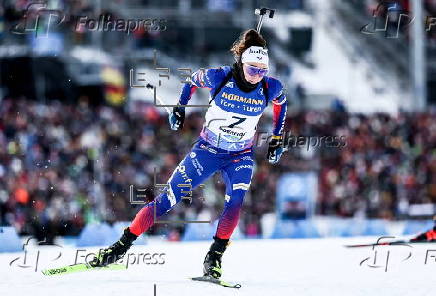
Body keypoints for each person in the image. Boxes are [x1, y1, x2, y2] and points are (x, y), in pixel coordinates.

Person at [89, 29, 288, 279]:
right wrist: (179, 108)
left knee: (235, 203)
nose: (256, 77)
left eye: (262, 71)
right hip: (208, 150)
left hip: (240, 155)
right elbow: (192, 80)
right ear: (241, 63)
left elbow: (282, 103)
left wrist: (278, 137)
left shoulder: (271, 87)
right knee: (168, 199)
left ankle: (214, 258)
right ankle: (120, 246)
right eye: (252, 70)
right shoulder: (220, 76)